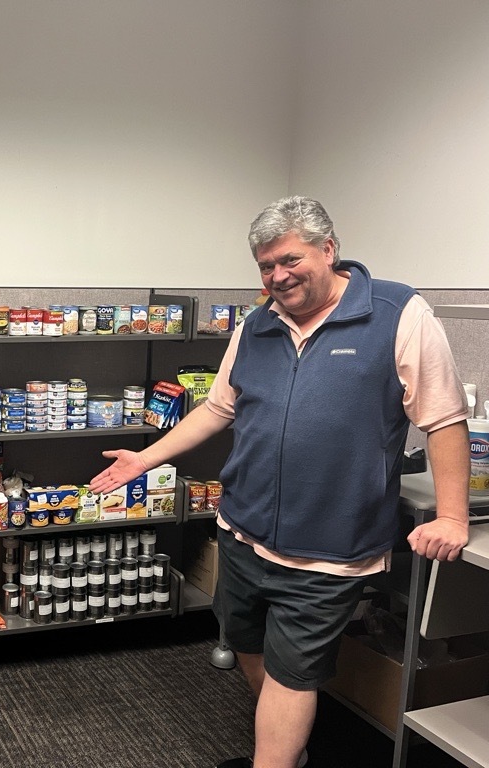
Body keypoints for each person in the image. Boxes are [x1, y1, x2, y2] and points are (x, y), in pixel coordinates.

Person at [89, 196, 471, 768]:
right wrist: (147, 460)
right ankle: (289, 747)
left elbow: (444, 418)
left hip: (330, 546)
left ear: (329, 249)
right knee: (245, 644)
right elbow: (218, 408)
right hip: (242, 529)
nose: (278, 276)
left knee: (293, 674)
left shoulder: (397, 312)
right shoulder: (257, 324)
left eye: (289, 260)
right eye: (266, 267)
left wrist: (452, 515)